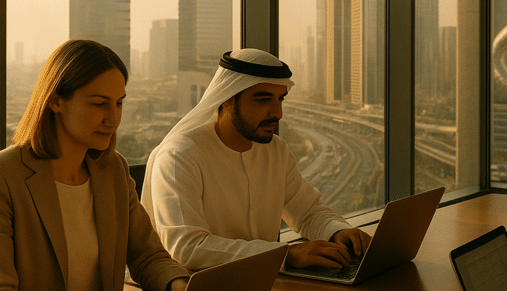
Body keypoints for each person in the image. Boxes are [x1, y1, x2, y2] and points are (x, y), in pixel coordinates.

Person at [0, 40, 191, 291]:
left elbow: (146, 255)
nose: (113, 118)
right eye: (99, 103)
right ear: (55, 101)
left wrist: (181, 286)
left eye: (118, 103)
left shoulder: (112, 171)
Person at [141, 48, 371, 272]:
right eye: (263, 100)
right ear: (227, 99)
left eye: (280, 99)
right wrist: (285, 255)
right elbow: (188, 248)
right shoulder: (179, 156)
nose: (277, 113)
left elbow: (308, 212)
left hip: (264, 287)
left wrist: (338, 232)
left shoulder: (276, 151)